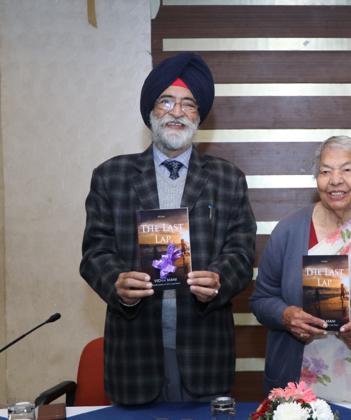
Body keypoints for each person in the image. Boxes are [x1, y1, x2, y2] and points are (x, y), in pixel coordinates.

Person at [80, 52, 256, 405]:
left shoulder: (228, 178)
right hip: (136, 349)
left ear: (199, 116)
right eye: (167, 101)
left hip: (205, 348)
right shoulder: (111, 176)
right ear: (150, 111)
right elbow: (94, 253)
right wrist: (116, 282)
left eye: (189, 105)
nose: (177, 112)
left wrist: (220, 279)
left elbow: (241, 252)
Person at [250, 136, 351, 402]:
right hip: (298, 387)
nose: (335, 180)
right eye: (325, 171)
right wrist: (286, 315)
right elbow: (261, 299)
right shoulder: (289, 231)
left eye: (347, 170)